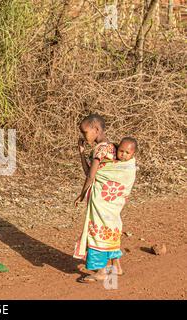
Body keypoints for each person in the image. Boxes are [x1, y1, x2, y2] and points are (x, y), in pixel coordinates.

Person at [73, 114, 136, 283]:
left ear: (96, 129)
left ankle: (101, 270)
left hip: (102, 201)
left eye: (85, 132)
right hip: (112, 201)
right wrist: (82, 153)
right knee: (112, 228)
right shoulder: (112, 147)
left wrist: (81, 193)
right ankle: (116, 266)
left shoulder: (100, 149)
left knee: (98, 231)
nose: (84, 136)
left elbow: (90, 175)